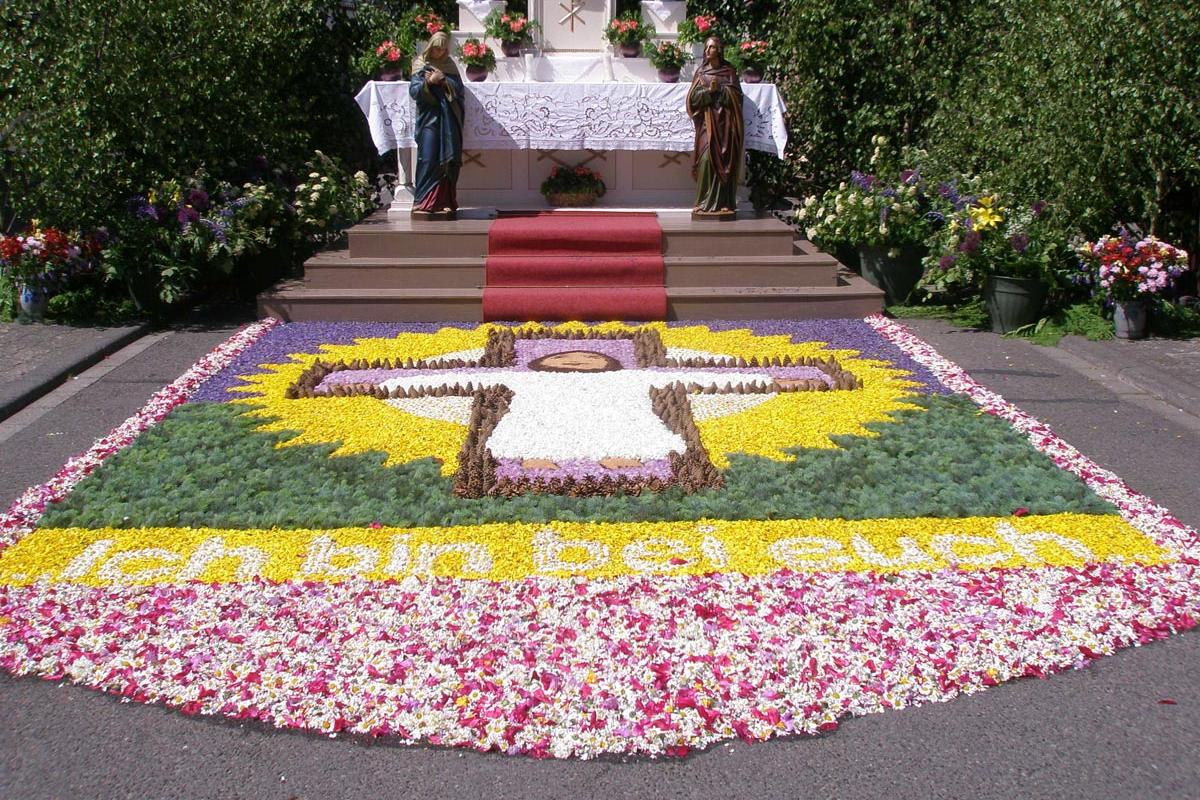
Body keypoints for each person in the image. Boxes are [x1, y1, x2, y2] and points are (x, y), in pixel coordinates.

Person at [686, 35, 744, 218]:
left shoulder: (729, 71)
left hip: (726, 125)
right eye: (707, 47)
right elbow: (692, 100)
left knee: (726, 160)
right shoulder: (701, 73)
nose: (708, 50)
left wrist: (721, 90)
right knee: (706, 160)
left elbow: (738, 97)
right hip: (707, 124)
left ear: (718, 50)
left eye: (711, 47)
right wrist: (708, 92)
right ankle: (703, 202)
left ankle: (725, 202)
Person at [409, 31, 464, 218]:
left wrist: (444, 80)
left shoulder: (450, 65)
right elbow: (414, 91)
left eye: (442, 48)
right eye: (436, 48)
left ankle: (445, 201)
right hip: (429, 118)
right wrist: (430, 82)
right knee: (427, 157)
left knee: (448, 159)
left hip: (448, 120)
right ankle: (422, 200)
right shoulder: (420, 65)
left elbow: (459, 91)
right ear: (430, 47)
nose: (439, 51)